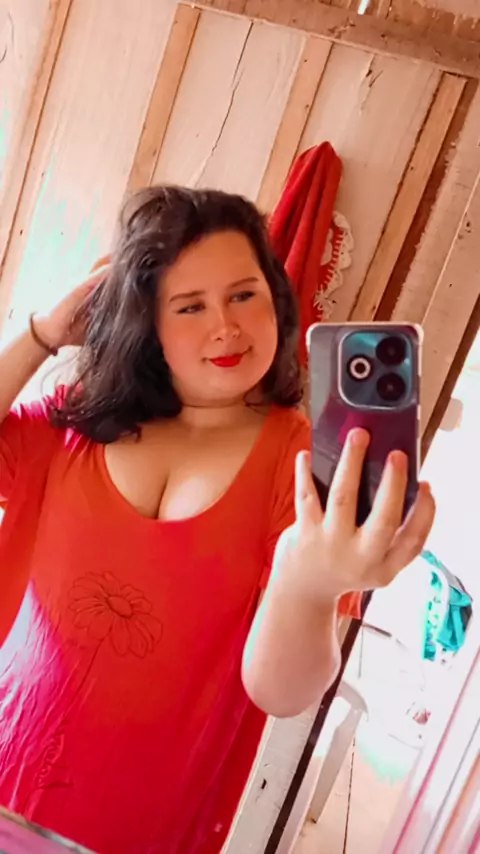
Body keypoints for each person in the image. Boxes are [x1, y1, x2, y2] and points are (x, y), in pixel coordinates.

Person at [0, 186, 435, 854]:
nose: (226, 326)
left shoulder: (303, 464)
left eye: (243, 294)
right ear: (148, 321)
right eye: (190, 306)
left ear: (275, 299)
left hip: (135, 826)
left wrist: (309, 584)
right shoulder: (81, 418)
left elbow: (282, 693)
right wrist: (41, 335)